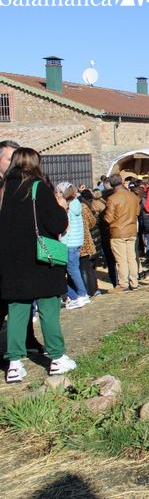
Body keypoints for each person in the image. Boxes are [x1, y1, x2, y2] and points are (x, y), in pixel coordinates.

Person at [0, 147, 76, 382]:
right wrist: (62, 210)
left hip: (11, 261)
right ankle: (57, 357)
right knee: (48, 310)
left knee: (17, 312)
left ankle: (14, 364)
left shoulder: (4, 189)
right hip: (40, 261)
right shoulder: (37, 187)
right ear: (35, 163)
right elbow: (56, 223)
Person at [0, 140, 46, 355]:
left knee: (22, 300)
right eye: (10, 159)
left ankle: (27, 340)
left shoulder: (19, 186)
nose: (14, 164)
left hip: (16, 256)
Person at [103, 173, 141, 292]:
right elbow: (137, 212)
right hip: (131, 230)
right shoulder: (133, 196)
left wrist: (103, 217)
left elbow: (108, 218)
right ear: (122, 181)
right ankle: (134, 282)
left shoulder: (112, 198)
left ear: (111, 184)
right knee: (131, 257)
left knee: (121, 259)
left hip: (118, 231)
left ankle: (123, 284)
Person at [56, 182, 91, 309]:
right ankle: (81, 294)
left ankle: (81, 294)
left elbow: (65, 226)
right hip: (77, 241)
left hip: (69, 242)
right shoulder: (77, 203)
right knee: (74, 269)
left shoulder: (67, 206)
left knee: (71, 270)